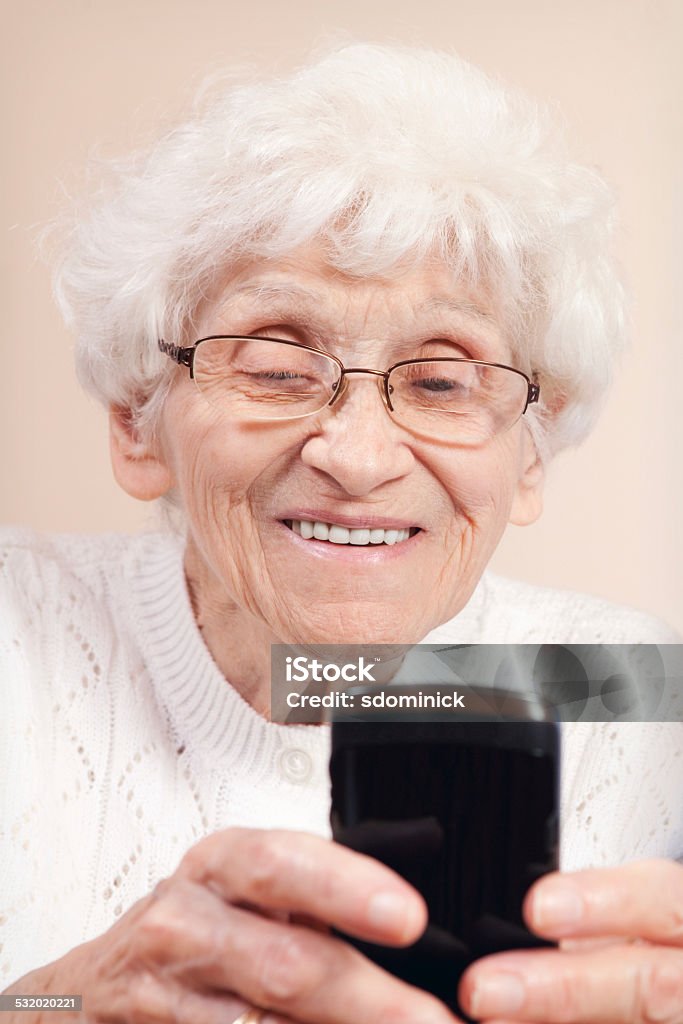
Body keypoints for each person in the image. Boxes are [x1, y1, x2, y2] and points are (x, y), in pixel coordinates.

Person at [1, 41, 682, 1024]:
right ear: (136, 420)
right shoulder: (16, 627)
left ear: (528, 453)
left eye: (443, 378)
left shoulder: (642, 693)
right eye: (274, 364)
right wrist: (50, 1007)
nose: (358, 457)